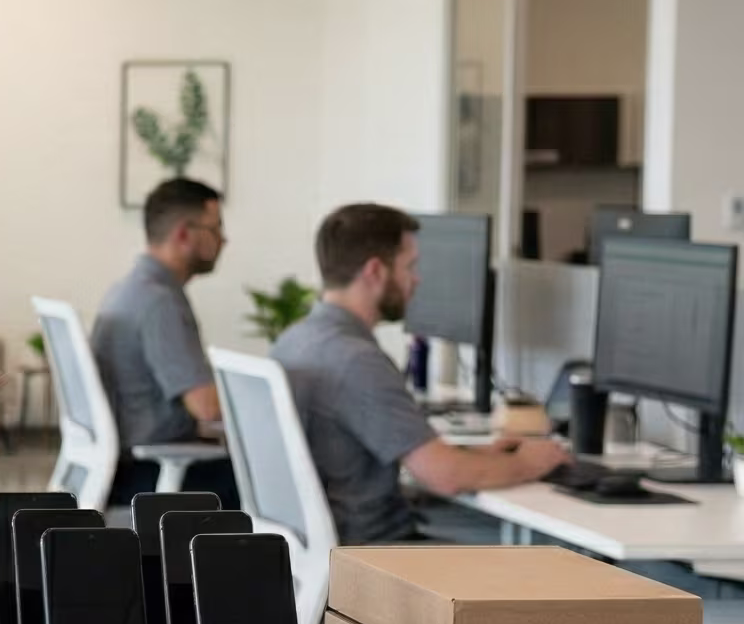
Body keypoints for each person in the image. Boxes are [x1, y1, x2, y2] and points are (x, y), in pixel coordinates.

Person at [271, 204, 568, 543]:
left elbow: (417, 458)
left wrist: (474, 457)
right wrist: (530, 462)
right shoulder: (357, 361)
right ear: (375, 271)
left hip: (328, 550)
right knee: (545, 561)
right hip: (377, 553)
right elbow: (446, 476)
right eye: (409, 266)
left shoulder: (295, 340)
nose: (417, 279)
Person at [92, 176, 240, 504]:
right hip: (153, 476)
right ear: (184, 234)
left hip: (126, 468)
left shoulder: (128, 289)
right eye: (216, 228)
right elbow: (207, 407)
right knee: (276, 482)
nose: (224, 239)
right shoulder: (160, 302)